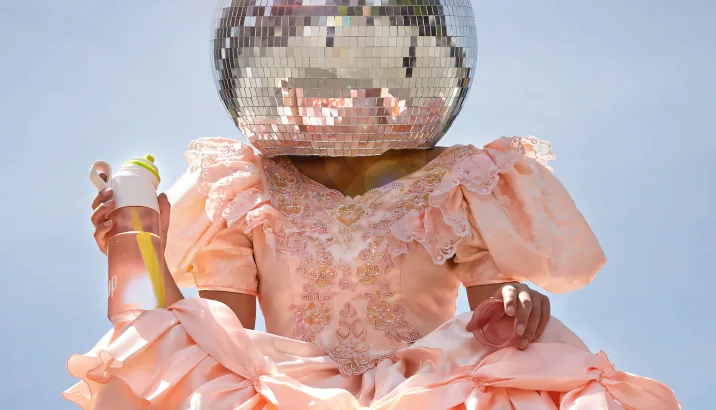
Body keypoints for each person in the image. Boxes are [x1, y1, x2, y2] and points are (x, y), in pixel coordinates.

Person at [64, 135, 680, 409]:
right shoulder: (243, 184)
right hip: (283, 395)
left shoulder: (460, 178)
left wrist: (520, 302)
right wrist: (141, 245)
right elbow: (216, 341)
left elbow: (498, 328)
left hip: (430, 394)